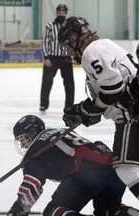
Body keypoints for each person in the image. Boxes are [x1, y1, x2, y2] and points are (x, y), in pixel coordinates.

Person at [57, 17, 139, 200]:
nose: (68, 51)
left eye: (67, 45)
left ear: (74, 37)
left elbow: (113, 88)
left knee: (126, 168)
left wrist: (92, 108)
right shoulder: (101, 47)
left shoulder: (91, 51)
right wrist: (85, 110)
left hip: (131, 114)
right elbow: (111, 90)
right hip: (131, 110)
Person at [7, 115, 139, 216]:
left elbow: (31, 187)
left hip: (86, 172)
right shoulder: (58, 132)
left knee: (52, 212)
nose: (23, 145)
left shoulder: (34, 153)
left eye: (23, 139)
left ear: (33, 133)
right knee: (106, 210)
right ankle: (123, 212)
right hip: (112, 168)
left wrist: (19, 209)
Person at [40, 4, 74, 112]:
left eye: (63, 12)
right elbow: (45, 42)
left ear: (66, 13)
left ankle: (69, 106)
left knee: (69, 84)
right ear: (56, 12)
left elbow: (73, 42)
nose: (61, 14)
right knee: (47, 81)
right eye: (60, 12)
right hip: (52, 58)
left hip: (66, 58)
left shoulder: (69, 27)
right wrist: (46, 57)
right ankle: (43, 104)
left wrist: (73, 55)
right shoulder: (50, 26)